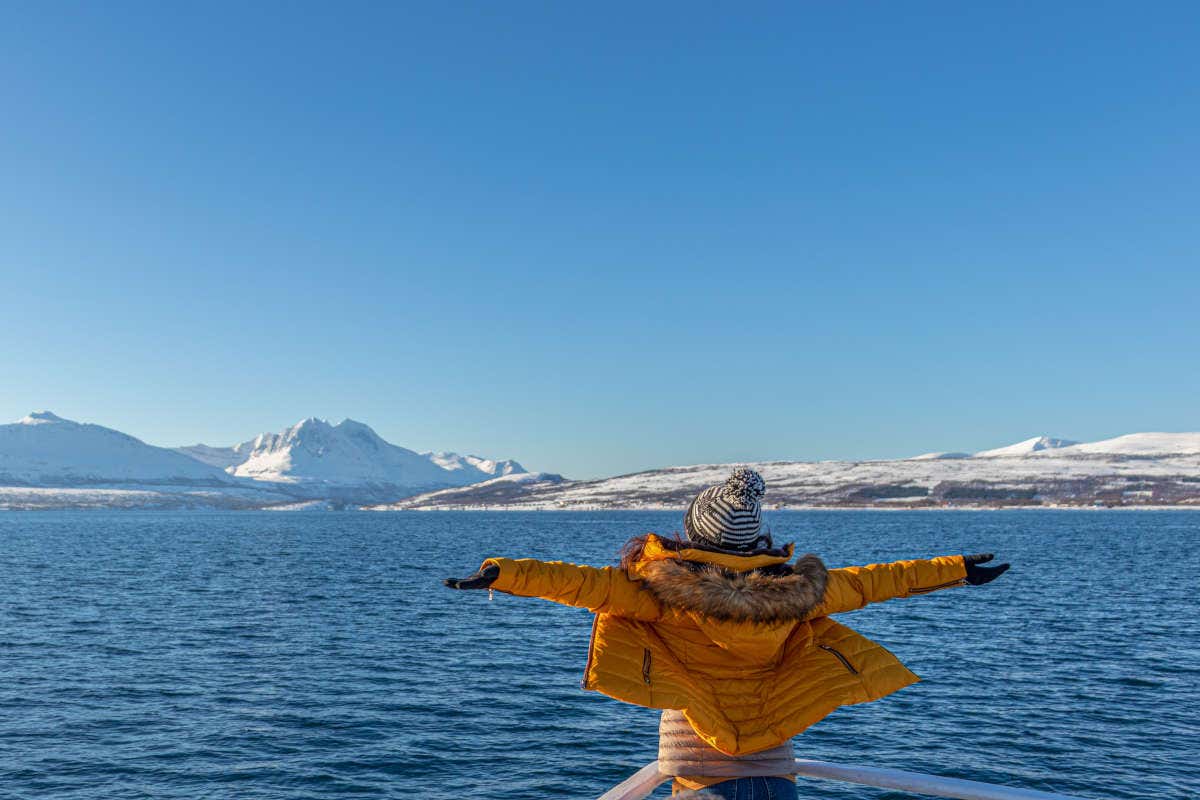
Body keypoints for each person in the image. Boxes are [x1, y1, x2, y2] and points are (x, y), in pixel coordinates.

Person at [444, 468, 1009, 799]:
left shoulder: (659, 591)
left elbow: (576, 584)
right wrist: (955, 568)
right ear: (757, 540)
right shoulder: (799, 592)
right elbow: (876, 582)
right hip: (772, 764)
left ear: (691, 533)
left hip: (697, 767)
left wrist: (502, 571)